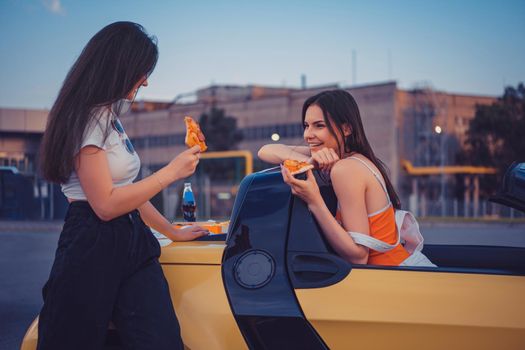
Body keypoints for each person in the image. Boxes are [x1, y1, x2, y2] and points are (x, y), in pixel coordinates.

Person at [38, 22, 207, 350]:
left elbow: (128, 193)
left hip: (132, 238)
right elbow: (105, 204)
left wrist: (173, 231)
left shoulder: (108, 116)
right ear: (119, 66)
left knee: (160, 340)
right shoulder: (86, 119)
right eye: (142, 70)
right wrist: (170, 173)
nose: (146, 80)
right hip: (92, 239)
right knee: (73, 339)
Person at [258, 89, 410, 266]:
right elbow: (266, 150)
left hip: (392, 277)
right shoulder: (349, 157)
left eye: (319, 125)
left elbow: (359, 256)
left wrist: (313, 201)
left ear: (346, 129)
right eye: (306, 126)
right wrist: (309, 161)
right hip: (397, 273)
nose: (308, 134)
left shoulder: (345, 169)